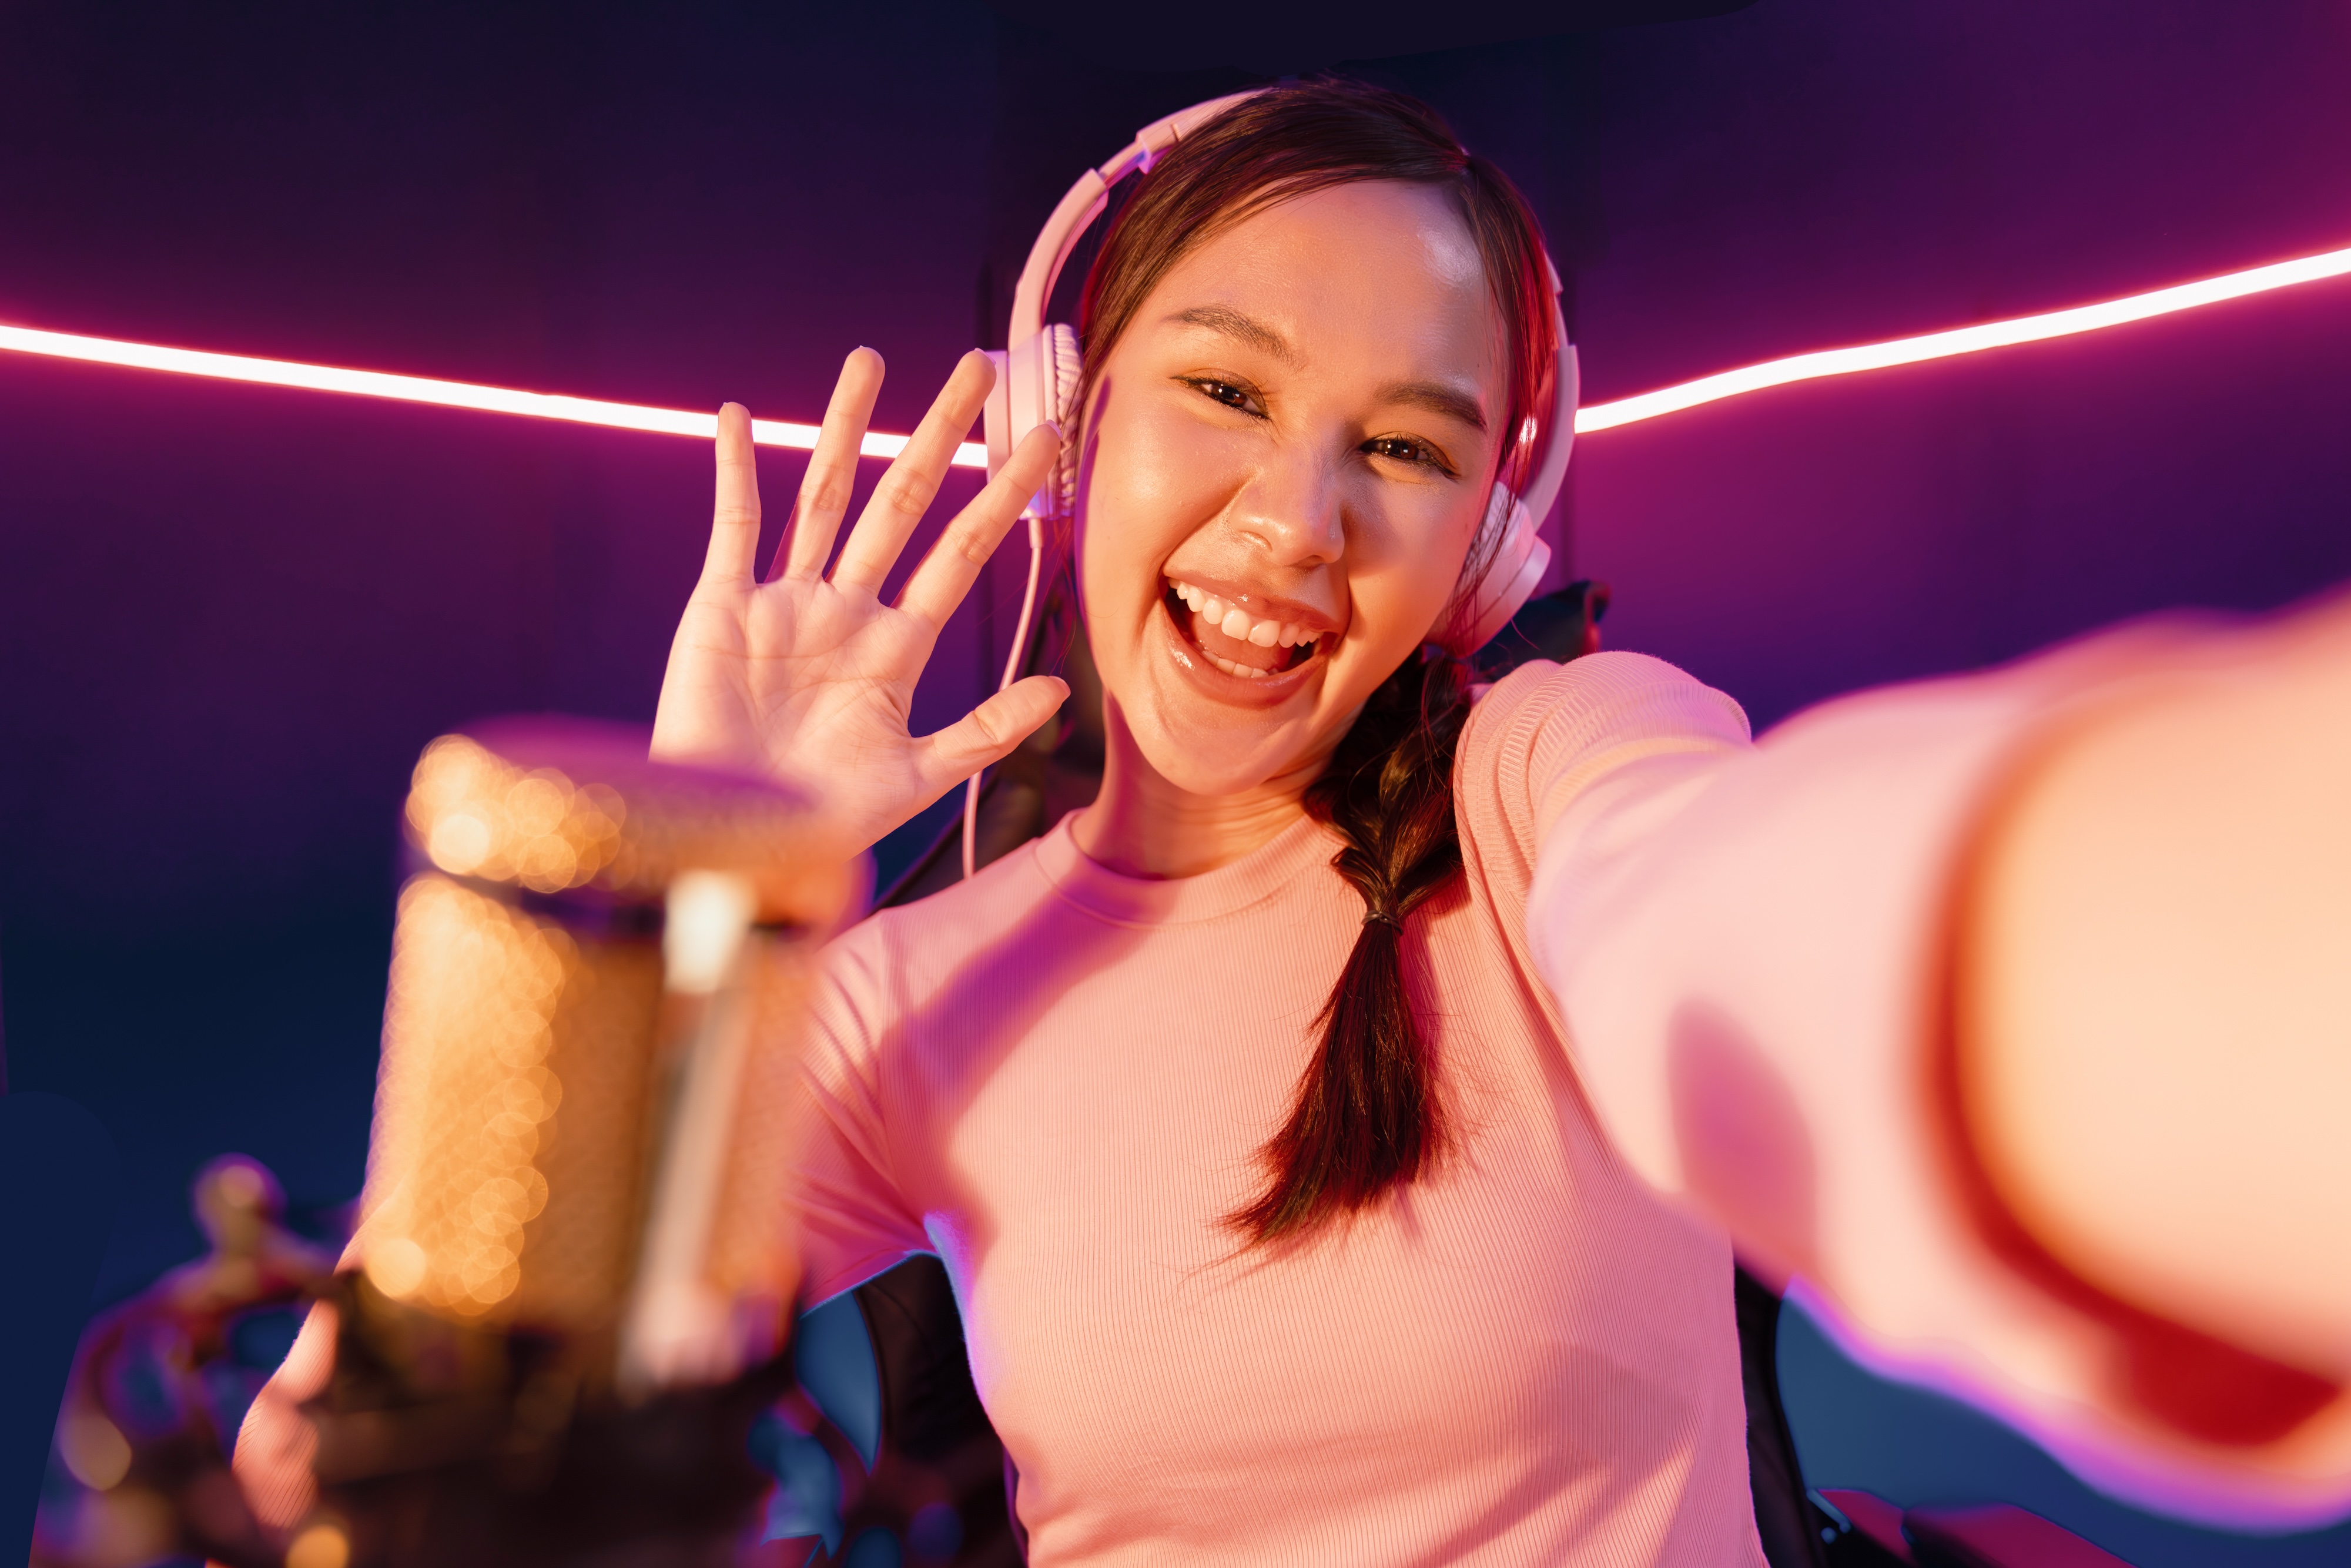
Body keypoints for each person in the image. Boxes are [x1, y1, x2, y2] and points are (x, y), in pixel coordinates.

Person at [247, 79, 2351, 1562]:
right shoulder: (895, 996)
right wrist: (688, 912)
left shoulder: (1556, 783)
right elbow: (343, 1474)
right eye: (1230, 393)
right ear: (1076, 415)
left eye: (1408, 448)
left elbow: (1771, 923)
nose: (1298, 525)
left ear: (1492, 540)